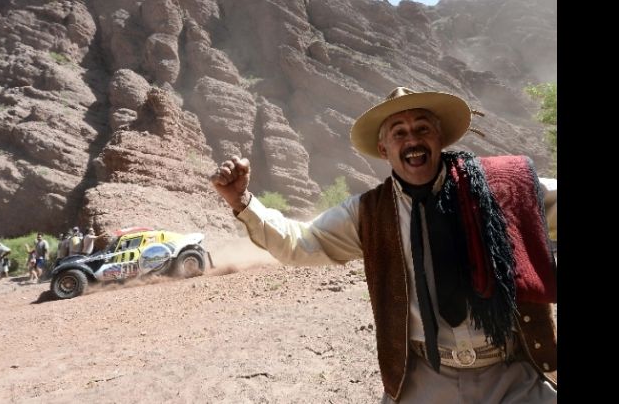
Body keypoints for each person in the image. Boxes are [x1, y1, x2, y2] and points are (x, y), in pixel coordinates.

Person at [210, 87, 557, 403]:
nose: (413, 140)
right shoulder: (370, 214)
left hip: (513, 376)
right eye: (400, 133)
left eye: (423, 128)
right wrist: (243, 201)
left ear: (440, 137)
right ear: (384, 149)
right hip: (425, 382)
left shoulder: (501, 187)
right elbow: (301, 243)